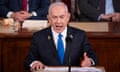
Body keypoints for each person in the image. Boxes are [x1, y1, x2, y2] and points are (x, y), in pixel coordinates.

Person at [24, 2, 98, 72]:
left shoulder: (79, 35)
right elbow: (29, 60)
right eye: (54, 17)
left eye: (62, 17)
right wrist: (35, 63)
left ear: (68, 17)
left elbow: (92, 56)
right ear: (49, 18)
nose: (58, 21)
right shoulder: (39, 37)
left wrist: (89, 61)